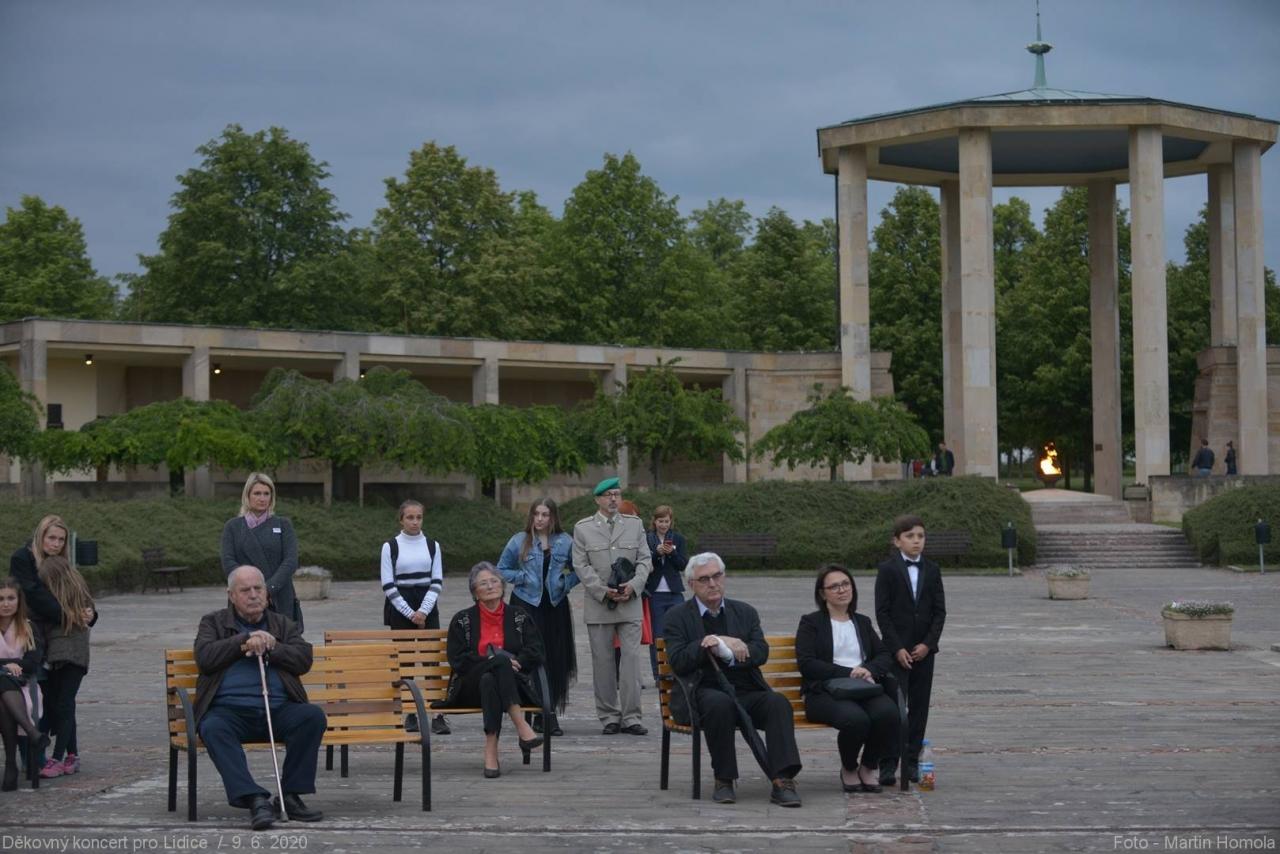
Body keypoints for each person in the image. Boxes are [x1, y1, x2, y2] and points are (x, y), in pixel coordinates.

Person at [663, 552, 803, 807]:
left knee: (777, 703)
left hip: (745, 689)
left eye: (717, 576)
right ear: (691, 584)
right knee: (720, 704)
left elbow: (760, 652)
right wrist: (713, 642)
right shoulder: (677, 616)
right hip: (701, 691)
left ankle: (783, 780)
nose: (712, 583)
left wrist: (730, 653)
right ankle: (724, 779)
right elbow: (678, 661)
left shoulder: (745, 612)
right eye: (704, 579)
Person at [194, 566, 326, 831]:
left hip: (278, 710)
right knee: (212, 727)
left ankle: (290, 796)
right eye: (245, 590)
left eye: (258, 589)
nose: (253, 595)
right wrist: (243, 641)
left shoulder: (282, 624)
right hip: (229, 712)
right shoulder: (214, 622)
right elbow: (205, 658)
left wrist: (273, 646)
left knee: (311, 717)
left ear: (266, 593)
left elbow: (303, 659)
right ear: (231, 595)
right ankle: (254, 798)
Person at [795, 565, 898, 794]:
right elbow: (807, 663)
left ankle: (868, 766)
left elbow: (884, 655)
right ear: (822, 594)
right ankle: (849, 767)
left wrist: (867, 669)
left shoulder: (862, 621)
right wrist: (849, 672)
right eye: (834, 586)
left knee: (888, 713)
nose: (841, 590)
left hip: (862, 688)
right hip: (823, 691)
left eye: (845, 584)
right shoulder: (811, 623)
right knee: (856, 720)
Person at [437, 563, 544, 778]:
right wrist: (496, 661)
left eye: (494, 581)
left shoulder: (519, 616)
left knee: (490, 679)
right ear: (475, 592)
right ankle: (522, 726)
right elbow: (458, 660)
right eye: (483, 583)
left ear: (502, 587)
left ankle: (491, 749)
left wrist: (517, 662)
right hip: (470, 689)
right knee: (498, 664)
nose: (490, 586)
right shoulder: (462, 620)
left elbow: (536, 650)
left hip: (513, 685)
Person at [571, 477, 652, 736]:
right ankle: (609, 717)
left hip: (630, 603)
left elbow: (645, 560)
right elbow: (580, 565)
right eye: (608, 495)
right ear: (598, 499)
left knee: (631, 662)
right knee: (603, 663)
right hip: (599, 605)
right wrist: (601, 590)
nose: (613, 499)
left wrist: (634, 586)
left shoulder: (634, 524)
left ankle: (632, 717)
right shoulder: (583, 528)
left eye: (617, 494)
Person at [496, 498, 578, 736]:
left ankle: (547, 713)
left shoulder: (565, 541)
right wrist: (522, 577)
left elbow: (580, 569)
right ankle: (534, 709)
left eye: (545, 514)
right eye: (536, 514)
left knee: (554, 657)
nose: (540, 519)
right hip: (525, 605)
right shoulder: (519, 540)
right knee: (530, 657)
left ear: (553, 517)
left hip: (554, 606)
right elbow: (501, 569)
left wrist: (564, 583)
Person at [874, 514, 946, 785]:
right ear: (897, 541)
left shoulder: (933, 569)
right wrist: (896, 648)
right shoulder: (887, 570)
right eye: (910, 536)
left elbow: (939, 612)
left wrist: (928, 644)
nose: (916, 541)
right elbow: (882, 613)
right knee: (894, 707)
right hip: (897, 651)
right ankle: (888, 762)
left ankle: (912, 761)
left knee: (919, 708)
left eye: (921, 536)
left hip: (923, 652)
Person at [379, 499, 449, 735]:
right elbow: (388, 584)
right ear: (401, 520)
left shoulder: (432, 545)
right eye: (410, 517)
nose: (415, 522)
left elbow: (437, 581)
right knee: (405, 662)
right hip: (401, 606)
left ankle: (437, 713)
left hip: (427, 604)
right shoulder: (390, 547)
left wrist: (424, 611)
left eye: (418, 517)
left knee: (432, 661)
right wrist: (410, 613)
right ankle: (409, 712)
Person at [35, 555, 96, 779]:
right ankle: (73, 755)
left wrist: (89, 615)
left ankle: (57, 758)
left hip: (71, 658)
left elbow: (89, 615)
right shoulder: (55, 598)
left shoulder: (75, 595)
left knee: (64, 704)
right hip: (58, 658)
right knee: (65, 707)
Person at [221, 473, 301, 631]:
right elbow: (228, 562)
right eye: (257, 493)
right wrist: (252, 590)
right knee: (244, 643)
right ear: (247, 496)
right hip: (245, 599)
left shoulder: (283, 524)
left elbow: (290, 561)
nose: (262, 498)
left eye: (266, 493)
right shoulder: (233, 527)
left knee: (283, 643)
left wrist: (267, 590)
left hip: (279, 598)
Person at [0, 578, 45, 791]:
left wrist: (10, 666)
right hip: (9, 689)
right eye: (1, 599)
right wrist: (8, 665)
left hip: (23, 687)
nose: (5, 603)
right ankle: (31, 732)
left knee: (2, 699)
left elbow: (33, 663)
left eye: (11, 598)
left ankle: (11, 765)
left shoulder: (28, 627)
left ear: (19, 601)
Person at [644, 505, 686, 682]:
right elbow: (643, 563)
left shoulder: (678, 538)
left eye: (666, 521)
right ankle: (659, 674)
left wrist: (672, 553)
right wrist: (656, 554)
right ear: (654, 521)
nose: (663, 524)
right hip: (655, 594)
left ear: (671, 521)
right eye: (660, 521)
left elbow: (683, 565)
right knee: (658, 635)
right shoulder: (647, 538)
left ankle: (678, 671)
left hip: (674, 592)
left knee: (678, 632)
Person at [9, 514, 70, 627]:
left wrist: (89, 612)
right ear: (40, 537)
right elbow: (31, 594)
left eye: (61, 539)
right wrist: (67, 615)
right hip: (31, 623)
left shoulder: (62, 562)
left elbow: (76, 589)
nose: (56, 544)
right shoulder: (21, 558)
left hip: (60, 622)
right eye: (51, 538)